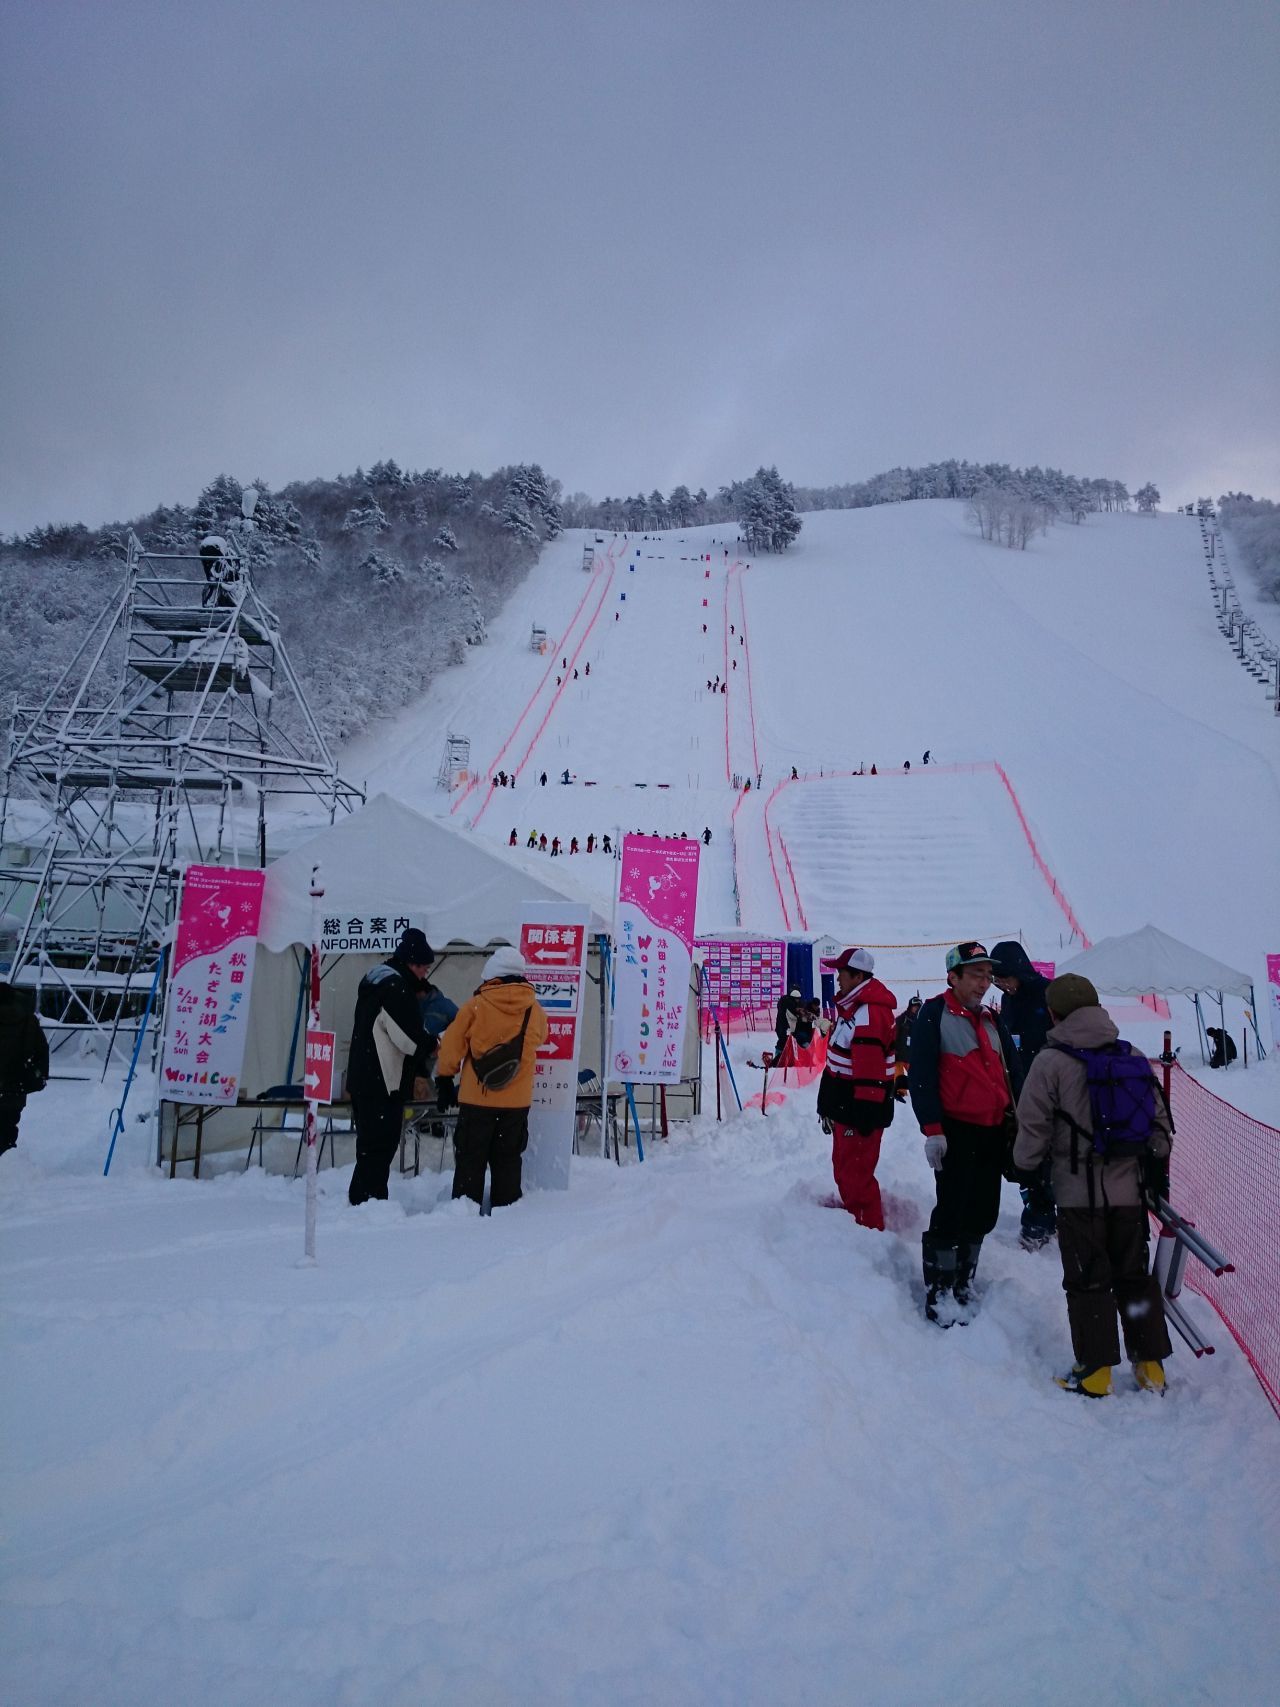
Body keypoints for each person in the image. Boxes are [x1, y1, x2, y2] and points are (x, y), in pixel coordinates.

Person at [1011, 974, 1173, 1396]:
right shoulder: (1132, 1055)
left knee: (1088, 1282)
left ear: (1054, 1013)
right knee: (1134, 1276)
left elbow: (1032, 1126)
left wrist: (1025, 1166)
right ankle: (1150, 1366)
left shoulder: (1050, 1062)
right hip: (1129, 1194)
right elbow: (1159, 1127)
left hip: (1077, 1194)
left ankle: (1097, 1372)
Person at [909, 942, 1021, 1323]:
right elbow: (921, 1075)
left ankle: (962, 1280)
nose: (984, 983)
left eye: (987, 975)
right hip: (957, 1131)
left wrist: (1021, 1119)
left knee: (984, 1210)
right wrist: (933, 1129)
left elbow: (1014, 1072)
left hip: (993, 1131)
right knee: (951, 1209)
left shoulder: (992, 1018)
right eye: (975, 975)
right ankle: (939, 1290)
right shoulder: (934, 1013)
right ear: (953, 976)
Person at [435, 946, 549, 1209]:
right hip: (516, 1103)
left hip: (478, 1100)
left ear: (491, 975)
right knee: (508, 1160)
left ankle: (466, 1208)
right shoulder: (535, 1011)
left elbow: (452, 1045)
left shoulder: (476, 1005)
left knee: (470, 1159)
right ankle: (506, 1210)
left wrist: (444, 1078)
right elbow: (541, 1037)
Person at [346, 928, 434, 1205]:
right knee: (380, 1146)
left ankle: (362, 1199)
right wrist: (432, 1045)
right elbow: (407, 1038)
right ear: (410, 963)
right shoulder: (396, 989)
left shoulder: (376, 983)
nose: (425, 973)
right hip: (383, 1081)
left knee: (369, 1147)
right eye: (422, 967)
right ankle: (369, 1202)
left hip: (364, 1078)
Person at [815, 948, 897, 1229]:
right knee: (845, 1166)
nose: (838, 978)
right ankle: (854, 1220)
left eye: (842, 973)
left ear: (858, 976)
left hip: (859, 1111)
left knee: (855, 1174)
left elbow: (870, 1070)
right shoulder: (854, 1010)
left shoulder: (870, 1014)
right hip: (847, 1106)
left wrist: (865, 1112)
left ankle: (867, 1231)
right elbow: (841, 1061)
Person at [990, 941, 1056, 1249]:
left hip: (1051, 1094)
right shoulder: (1009, 1001)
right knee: (1022, 1161)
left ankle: (1039, 1223)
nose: (999, 984)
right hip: (1018, 1093)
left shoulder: (1048, 994)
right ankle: (1041, 1213)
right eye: (995, 978)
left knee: (1043, 1162)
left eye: (1003, 976)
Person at [0, 980, 49, 1155]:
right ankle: (9, 1161)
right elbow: (41, 1050)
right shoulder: (28, 1020)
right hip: (15, 1086)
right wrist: (35, 1078)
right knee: (7, 1126)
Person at [893, 995, 923, 1102]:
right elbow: (894, 1033)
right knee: (898, 1072)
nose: (916, 1008)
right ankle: (901, 1092)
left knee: (915, 1074)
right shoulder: (902, 1019)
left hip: (912, 1054)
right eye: (915, 1006)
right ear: (910, 1006)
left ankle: (918, 1090)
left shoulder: (921, 1021)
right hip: (900, 1052)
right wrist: (893, 1047)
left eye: (919, 1006)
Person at [774, 988, 803, 1059]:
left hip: (785, 1026)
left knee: (785, 1041)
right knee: (782, 1040)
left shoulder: (788, 1002)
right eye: (796, 999)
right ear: (793, 998)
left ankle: (784, 1056)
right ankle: (778, 1056)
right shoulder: (787, 1003)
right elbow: (792, 1013)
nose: (798, 1001)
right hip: (782, 1025)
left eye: (798, 999)